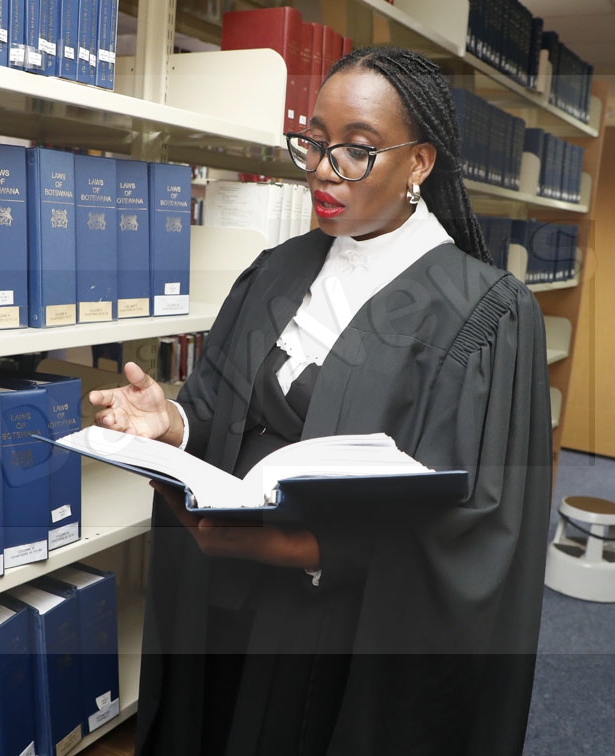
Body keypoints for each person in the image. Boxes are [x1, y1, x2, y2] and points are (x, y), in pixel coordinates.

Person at [89, 46, 553, 756]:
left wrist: (306, 549)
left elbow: (478, 527)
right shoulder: (279, 269)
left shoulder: (483, 314)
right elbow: (217, 410)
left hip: (341, 640)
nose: (322, 170)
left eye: (356, 151)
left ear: (419, 163)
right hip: (225, 601)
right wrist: (172, 422)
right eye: (313, 141)